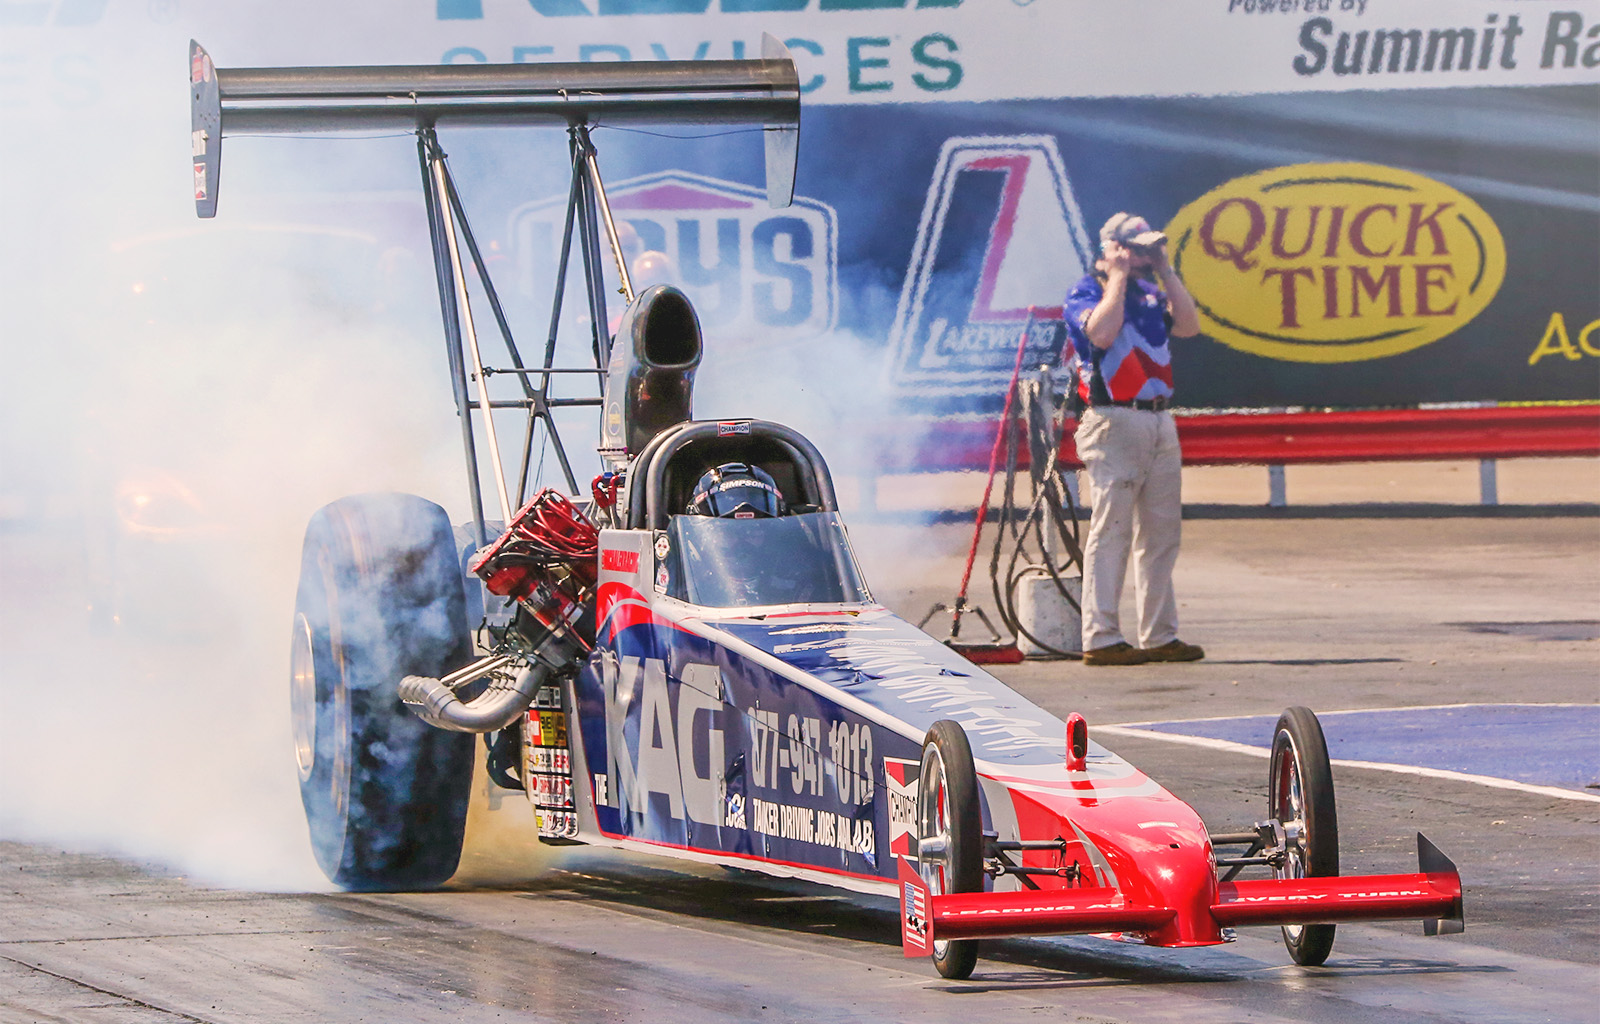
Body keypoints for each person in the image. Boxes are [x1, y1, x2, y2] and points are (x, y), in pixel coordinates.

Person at [1063, 212, 1205, 667]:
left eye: (1151, 248)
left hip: (1159, 417)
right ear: (1114, 248)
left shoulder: (1150, 290)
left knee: (1162, 532)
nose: (1148, 255)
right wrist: (1117, 277)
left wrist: (1165, 269)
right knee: (1113, 531)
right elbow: (1100, 333)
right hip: (1113, 419)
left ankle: (1160, 634)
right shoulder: (1085, 291)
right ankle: (1100, 636)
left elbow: (1188, 327)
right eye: (1140, 248)